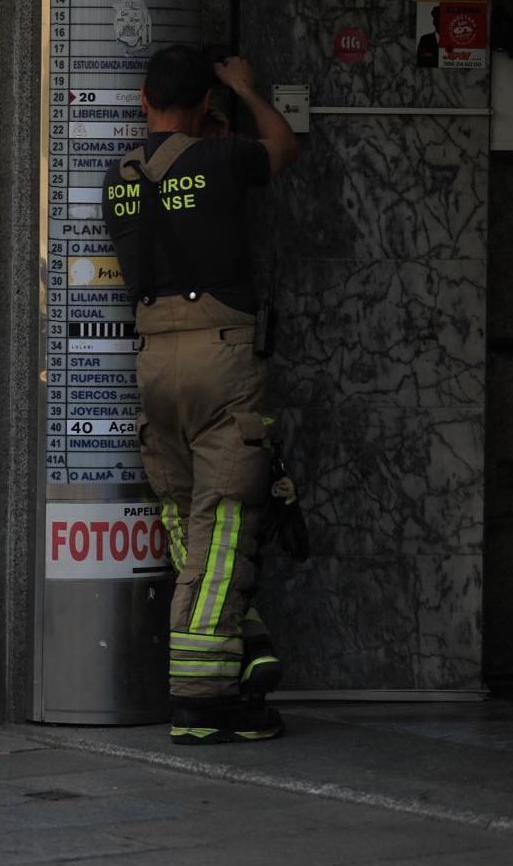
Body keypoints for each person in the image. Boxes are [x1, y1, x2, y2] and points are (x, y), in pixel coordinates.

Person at [101, 45, 299, 745]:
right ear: (204, 105)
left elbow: (171, 201)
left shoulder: (117, 176)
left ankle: (244, 661)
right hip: (221, 357)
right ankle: (201, 694)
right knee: (226, 525)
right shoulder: (221, 159)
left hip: (154, 362)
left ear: (143, 99)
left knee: (188, 519)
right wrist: (247, 89)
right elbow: (282, 146)